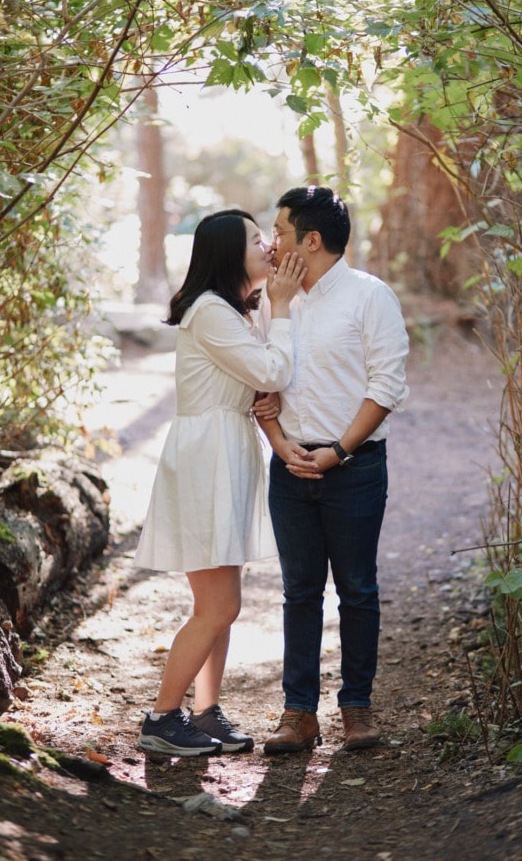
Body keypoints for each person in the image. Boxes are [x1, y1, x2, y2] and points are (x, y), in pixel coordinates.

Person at [134, 209, 306, 758]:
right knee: (216, 606)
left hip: (224, 453)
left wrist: (271, 320)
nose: (269, 245)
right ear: (231, 254)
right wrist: (279, 307)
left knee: (223, 602)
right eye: (259, 239)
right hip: (208, 457)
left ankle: (205, 711)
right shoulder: (210, 312)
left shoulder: (234, 310)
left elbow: (264, 378)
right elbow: (272, 373)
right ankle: (163, 717)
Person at [259, 186, 409, 754]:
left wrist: (340, 451)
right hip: (290, 467)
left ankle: (356, 708)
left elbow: (386, 386)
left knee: (357, 589)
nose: (272, 243)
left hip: (355, 467)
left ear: (311, 240)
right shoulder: (273, 300)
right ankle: (298, 714)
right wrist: (280, 443)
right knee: (299, 592)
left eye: (280, 232)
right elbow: (260, 385)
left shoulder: (371, 297)